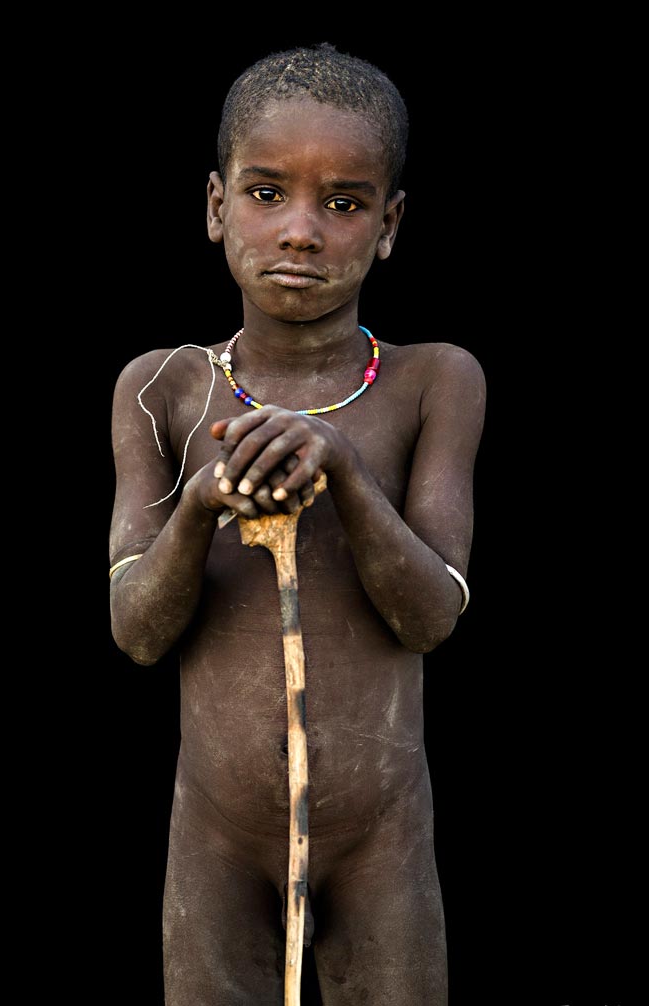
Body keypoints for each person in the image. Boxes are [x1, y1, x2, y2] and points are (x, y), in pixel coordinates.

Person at [109, 43, 485, 1006]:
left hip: (380, 837)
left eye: (345, 203)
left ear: (390, 223)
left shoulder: (433, 382)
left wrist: (351, 480)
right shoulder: (165, 388)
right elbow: (137, 631)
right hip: (216, 841)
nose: (303, 233)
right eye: (267, 193)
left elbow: (433, 616)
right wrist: (199, 508)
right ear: (213, 206)